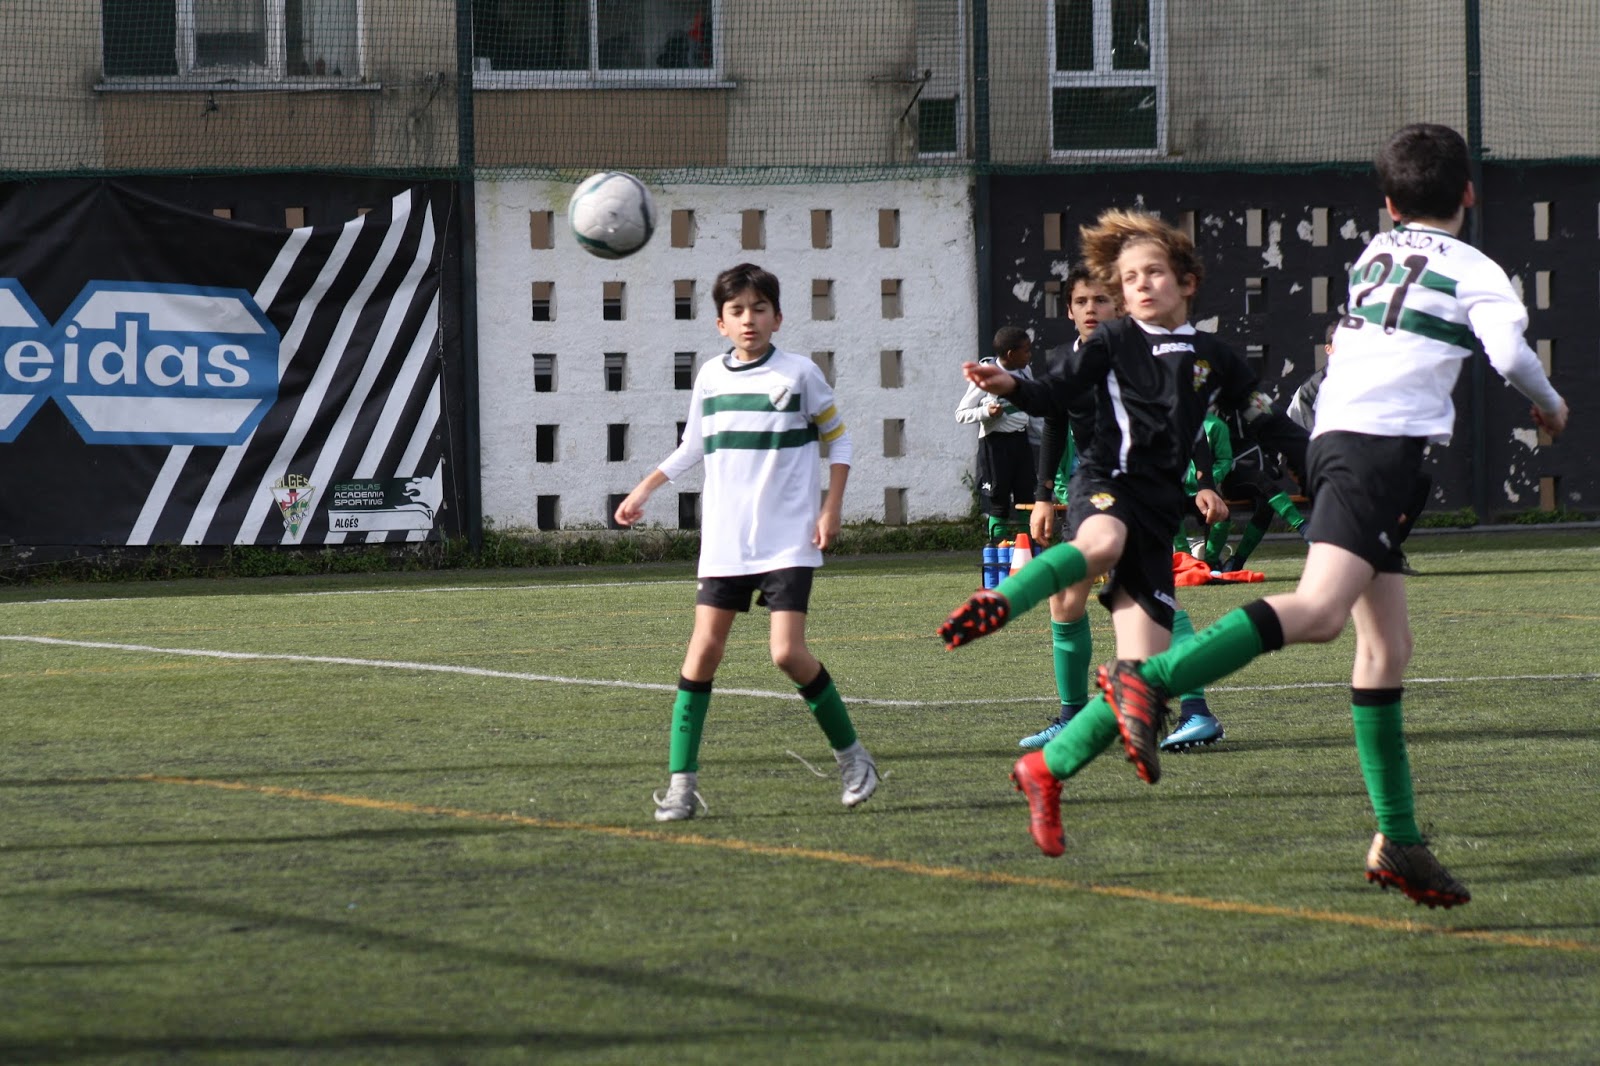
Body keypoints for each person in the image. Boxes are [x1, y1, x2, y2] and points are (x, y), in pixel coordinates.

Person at [1066, 124, 1571, 909]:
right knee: (1320, 612)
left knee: (1387, 646)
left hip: (1347, 436)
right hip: (1378, 450)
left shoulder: (1377, 252)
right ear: (1469, 193)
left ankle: (1398, 838)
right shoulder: (1475, 268)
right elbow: (1507, 356)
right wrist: (1551, 405)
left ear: (1390, 203)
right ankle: (1148, 679)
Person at [938, 209, 1307, 856]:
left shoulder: (1215, 357)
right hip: (1105, 482)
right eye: (1129, 278)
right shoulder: (1110, 342)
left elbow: (1265, 422)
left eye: (1153, 273)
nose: (1140, 285)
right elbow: (1054, 397)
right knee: (1099, 546)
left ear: (1187, 281)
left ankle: (1044, 772)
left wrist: (1326, 464)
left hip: (1160, 512)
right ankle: (1003, 600)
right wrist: (1013, 386)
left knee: (1143, 675)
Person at [614, 262, 879, 822]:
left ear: (777, 317)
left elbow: (840, 440)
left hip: (788, 540)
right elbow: (693, 445)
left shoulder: (800, 374)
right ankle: (681, 785)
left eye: (759, 309)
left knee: (786, 654)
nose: (748, 319)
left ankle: (854, 758)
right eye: (736, 311)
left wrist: (831, 507)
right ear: (720, 323)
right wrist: (644, 488)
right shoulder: (711, 376)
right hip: (726, 542)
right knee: (702, 652)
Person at [1021, 267, 1225, 754]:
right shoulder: (1062, 360)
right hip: (1093, 493)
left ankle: (1196, 711)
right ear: (1069, 310)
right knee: (1065, 598)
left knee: (1148, 595)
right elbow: (1054, 425)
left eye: (1101, 300)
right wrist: (1044, 495)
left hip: (1141, 488)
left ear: (1119, 307)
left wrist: (1205, 482)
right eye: (1082, 301)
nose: (1091, 309)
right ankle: (1073, 716)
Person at [1293, 320, 1427, 576]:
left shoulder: (1368, 378)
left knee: (1418, 481)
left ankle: (1385, 550)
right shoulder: (1315, 388)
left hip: (1362, 457)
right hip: (1324, 463)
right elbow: (1310, 437)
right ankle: (1353, 557)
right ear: (1329, 349)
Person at [957, 326, 1041, 542]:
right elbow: (961, 414)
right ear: (1011, 354)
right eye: (1026, 351)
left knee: (1026, 496)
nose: (1030, 355)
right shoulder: (987, 373)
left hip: (1021, 441)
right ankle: (997, 546)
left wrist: (1044, 436)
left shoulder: (1025, 371)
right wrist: (987, 412)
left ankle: (1027, 545)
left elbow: (1031, 407)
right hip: (996, 444)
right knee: (999, 498)